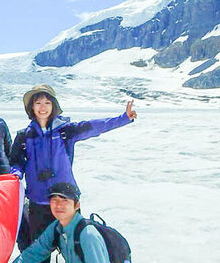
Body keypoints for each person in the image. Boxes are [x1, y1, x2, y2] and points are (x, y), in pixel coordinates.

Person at [10, 84, 136, 257]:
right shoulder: (24, 136)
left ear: (53, 105)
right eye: (38, 103)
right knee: (40, 252)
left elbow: (94, 127)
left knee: (74, 250)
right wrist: (15, 174)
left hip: (67, 201)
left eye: (47, 102)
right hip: (38, 203)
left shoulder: (65, 131)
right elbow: (15, 162)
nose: (43, 107)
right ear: (31, 107)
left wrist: (123, 118)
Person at [14, 183, 109, 263]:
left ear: (77, 205)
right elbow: (33, 254)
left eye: (65, 201)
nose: (59, 206)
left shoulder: (88, 235)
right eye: (55, 200)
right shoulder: (56, 228)